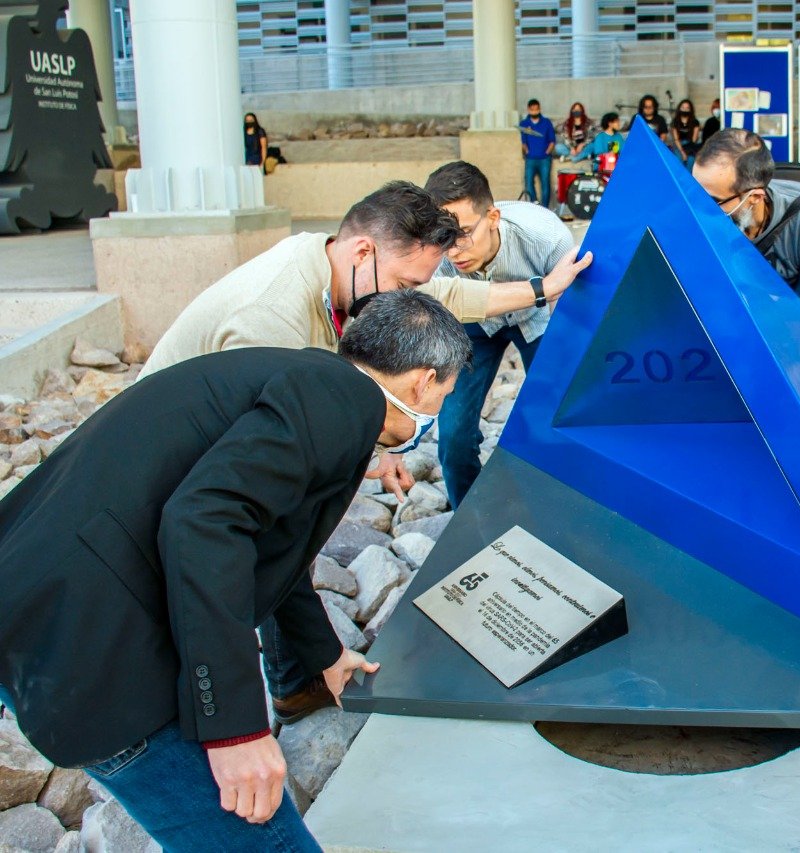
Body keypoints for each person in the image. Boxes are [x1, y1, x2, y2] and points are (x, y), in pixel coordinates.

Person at [0, 290, 472, 850]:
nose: (438, 408)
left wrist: (323, 652)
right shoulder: (341, 401)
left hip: (39, 603)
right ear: (423, 380)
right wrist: (235, 727)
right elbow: (203, 523)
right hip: (98, 654)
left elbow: (269, 542)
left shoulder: (305, 377)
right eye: (445, 391)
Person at [140, 180, 592, 726]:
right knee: (272, 534)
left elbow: (437, 301)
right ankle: (248, 694)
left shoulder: (339, 267)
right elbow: (247, 502)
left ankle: (294, 677)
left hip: (226, 451)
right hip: (169, 473)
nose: (405, 297)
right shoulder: (272, 322)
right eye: (403, 282)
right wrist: (230, 723)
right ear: (363, 251)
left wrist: (543, 288)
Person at [425, 161, 574, 508]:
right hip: (471, 325)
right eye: (442, 236)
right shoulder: (433, 256)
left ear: (492, 217)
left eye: (462, 233)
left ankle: (558, 505)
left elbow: (571, 322)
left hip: (535, 316)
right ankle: (469, 516)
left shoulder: (547, 237)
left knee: (558, 412)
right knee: (454, 436)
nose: (453, 250)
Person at [693, 128, 800, 336]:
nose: (699, 208)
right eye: (693, 192)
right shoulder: (706, 216)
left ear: (754, 197)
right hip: (751, 313)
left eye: (712, 201)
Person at [519, 98, 556, 207]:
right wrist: (527, 151)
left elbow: (552, 141)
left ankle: (545, 207)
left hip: (544, 159)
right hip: (530, 158)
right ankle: (534, 204)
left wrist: (547, 152)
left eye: (536, 109)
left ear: (539, 109)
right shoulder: (524, 123)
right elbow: (523, 141)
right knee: (528, 182)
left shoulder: (547, 122)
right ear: (528, 109)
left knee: (545, 183)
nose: (534, 111)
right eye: (532, 109)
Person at [668, 98, 701, 171]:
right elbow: (676, 139)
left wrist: (688, 150)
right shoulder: (675, 122)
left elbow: (694, 139)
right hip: (679, 145)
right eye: (683, 107)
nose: (685, 110)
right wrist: (682, 152)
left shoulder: (695, 122)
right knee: (679, 162)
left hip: (690, 145)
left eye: (687, 108)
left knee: (691, 161)